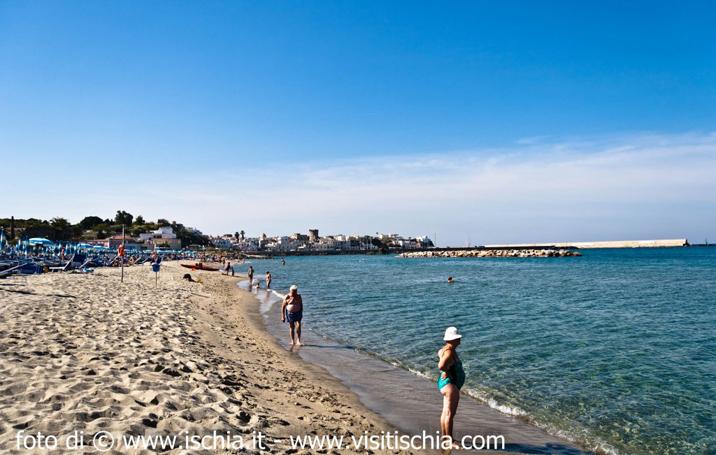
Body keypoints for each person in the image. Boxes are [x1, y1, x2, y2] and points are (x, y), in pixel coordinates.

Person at [438, 326, 465, 449]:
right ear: (452, 339)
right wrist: (446, 371)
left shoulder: (445, 349)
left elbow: (439, 354)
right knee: (449, 414)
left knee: (445, 412)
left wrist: (446, 370)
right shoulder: (449, 352)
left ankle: (445, 438)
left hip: (446, 384)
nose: (460, 339)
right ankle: (450, 441)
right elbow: (441, 365)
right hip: (450, 385)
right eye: (457, 338)